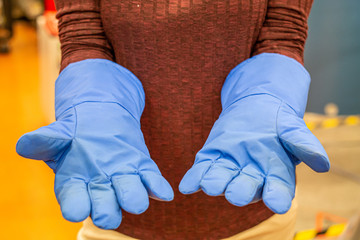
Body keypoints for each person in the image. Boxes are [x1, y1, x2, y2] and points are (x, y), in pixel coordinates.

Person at [16, 0, 330, 239]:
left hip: (254, 203)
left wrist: (267, 95)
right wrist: (93, 101)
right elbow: (83, 36)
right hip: (116, 195)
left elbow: (283, 32)